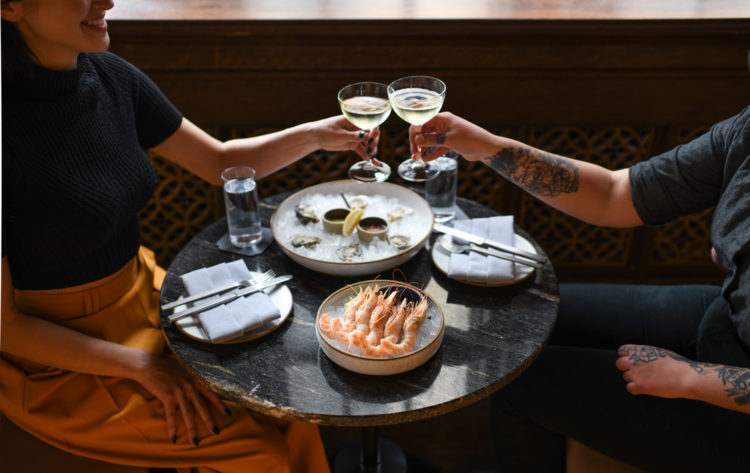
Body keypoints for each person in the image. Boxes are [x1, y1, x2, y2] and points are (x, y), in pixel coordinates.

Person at [0, 1, 380, 472]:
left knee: (292, 406)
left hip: (152, 300)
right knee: (259, 454)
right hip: (62, 357)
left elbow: (219, 162)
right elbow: (5, 327)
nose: (107, 2)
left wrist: (314, 136)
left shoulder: (110, 75)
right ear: (11, 6)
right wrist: (141, 366)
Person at [408, 109, 750, 472]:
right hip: (724, 316)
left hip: (736, 414)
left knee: (520, 389)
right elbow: (615, 193)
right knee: (524, 315)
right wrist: (488, 148)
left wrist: (691, 379)